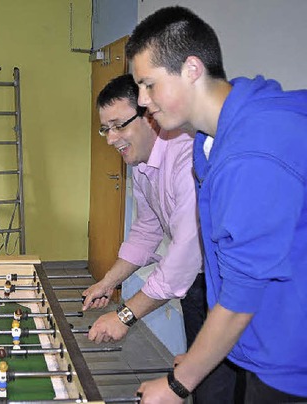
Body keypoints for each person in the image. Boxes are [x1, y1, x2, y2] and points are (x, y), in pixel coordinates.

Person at [126, 6, 307, 403]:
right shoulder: (215, 140)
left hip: (290, 362)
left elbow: (242, 292)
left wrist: (179, 383)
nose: (142, 100)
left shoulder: (252, 152)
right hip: (261, 343)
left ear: (191, 68)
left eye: (149, 84)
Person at [82, 75, 232, 403]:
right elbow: (147, 230)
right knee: (205, 382)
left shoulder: (185, 158)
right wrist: (109, 282)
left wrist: (126, 315)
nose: (111, 139)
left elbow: (184, 254)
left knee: (220, 387)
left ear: (150, 115)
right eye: (105, 129)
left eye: (118, 125)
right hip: (198, 284)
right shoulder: (140, 162)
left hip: (233, 289)